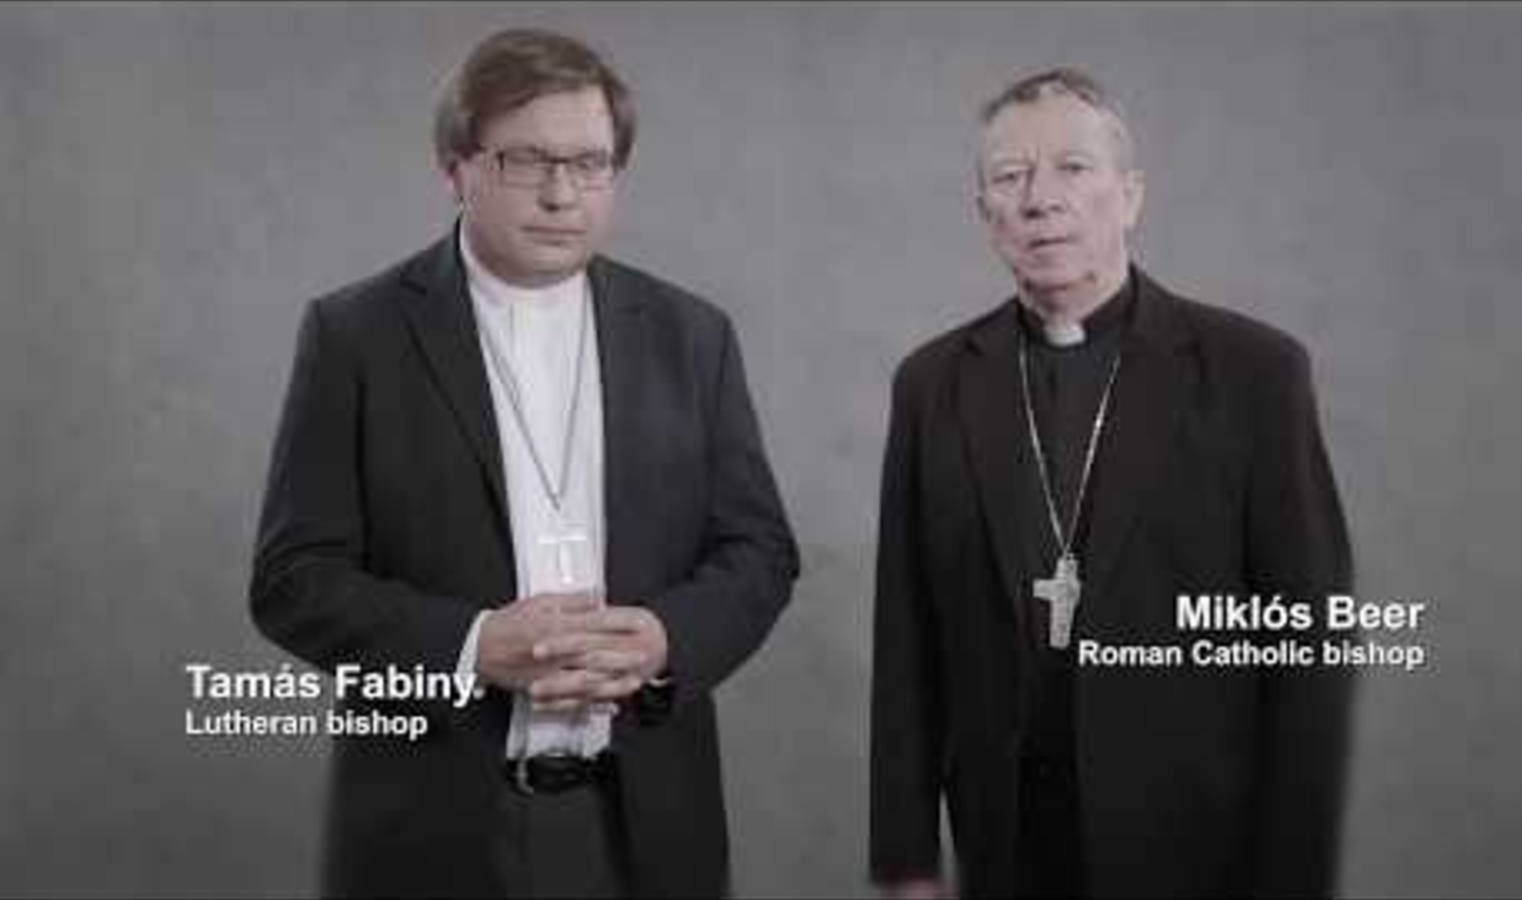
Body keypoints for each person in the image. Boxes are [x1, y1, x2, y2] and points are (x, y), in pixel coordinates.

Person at [250, 27, 799, 899]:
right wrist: (471, 646)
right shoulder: (355, 336)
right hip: (430, 831)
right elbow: (292, 581)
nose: (560, 194)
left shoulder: (693, 336)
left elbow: (760, 552)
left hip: (646, 832)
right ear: (456, 168)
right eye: (525, 161)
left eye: (589, 163)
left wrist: (666, 638)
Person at [869, 67, 1354, 899]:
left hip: (1200, 846)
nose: (1040, 200)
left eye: (1073, 167)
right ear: (984, 213)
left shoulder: (1254, 373)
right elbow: (906, 640)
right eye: (1011, 176)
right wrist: (905, 862)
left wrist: (1293, 879)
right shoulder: (934, 383)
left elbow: (1309, 645)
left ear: (1130, 196)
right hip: (1007, 847)